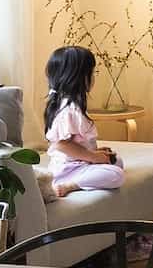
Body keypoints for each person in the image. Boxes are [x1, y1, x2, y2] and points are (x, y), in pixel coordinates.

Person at [44, 45, 125, 198]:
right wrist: (93, 157)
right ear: (79, 77)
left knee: (117, 160)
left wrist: (96, 152)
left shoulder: (71, 105)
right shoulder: (69, 110)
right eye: (91, 73)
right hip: (68, 169)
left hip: (79, 163)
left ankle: (85, 177)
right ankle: (70, 185)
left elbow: (77, 142)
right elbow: (61, 144)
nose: (93, 78)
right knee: (117, 174)